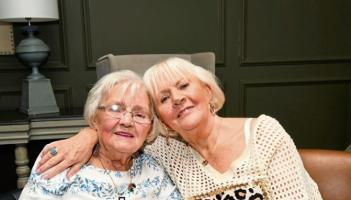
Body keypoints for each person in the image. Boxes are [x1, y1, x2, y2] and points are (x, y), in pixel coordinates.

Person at [36, 58, 322, 199]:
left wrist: (95, 130)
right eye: (163, 98)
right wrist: (89, 134)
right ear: (160, 119)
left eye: (184, 85)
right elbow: (123, 132)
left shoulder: (263, 133)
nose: (177, 98)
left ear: (208, 91)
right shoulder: (163, 151)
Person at [20, 70, 181, 200]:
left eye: (140, 115)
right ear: (94, 118)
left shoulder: (152, 169)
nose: (127, 121)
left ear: (150, 128)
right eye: (116, 109)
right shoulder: (62, 160)